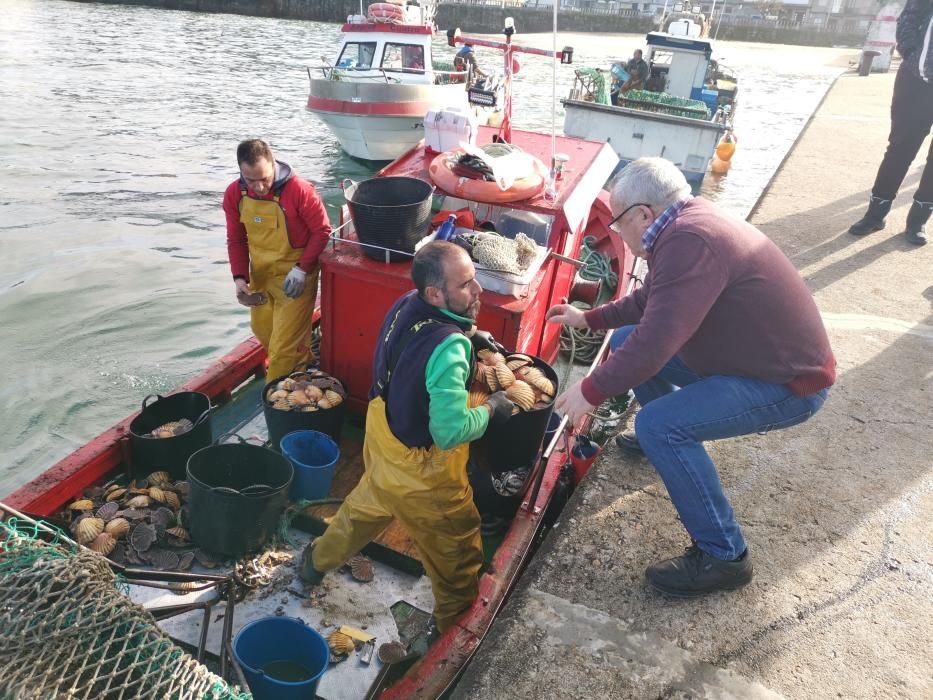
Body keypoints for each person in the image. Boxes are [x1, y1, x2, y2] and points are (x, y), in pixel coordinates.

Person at [546, 157, 836, 598]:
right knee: (624, 341)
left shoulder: (689, 241)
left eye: (620, 221)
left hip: (789, 382)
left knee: (659, 425)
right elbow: (648, 303)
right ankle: (670, 441)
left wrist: (589, 389)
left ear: (643, 213)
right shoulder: (686, 225)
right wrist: (589, 318)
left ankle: (724, 555)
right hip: (749, 356)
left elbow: (657, 343)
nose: (619, 233)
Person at [299, 242, 514, 632]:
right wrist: (493, 409)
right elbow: (448, 433)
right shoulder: (450, 347)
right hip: (423, 474)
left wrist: (472, 333)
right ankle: (451, 634)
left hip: (384, 440)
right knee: (457, 555)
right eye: (467, 285)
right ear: (435, 294)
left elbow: (418, 343)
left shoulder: (405, 302)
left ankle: (314, 563)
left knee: (360, 512)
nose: (479, 290)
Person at [223, 139, 331, 380]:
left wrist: (303, 269)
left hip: (295, 277)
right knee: (263, 330)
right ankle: (304, 362)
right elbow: (236, 240)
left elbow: (322, 231)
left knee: (282, 350)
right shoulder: (234, 195)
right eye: (251, 180)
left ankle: (276, 401)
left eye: (265, 178)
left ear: (273, 164)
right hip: (261, 275)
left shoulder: (300, 191)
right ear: (241, 171)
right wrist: (240, 278)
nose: (259, 187)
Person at [848, 0, 932, 246]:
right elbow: (909, 17)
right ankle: (875, 215)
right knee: (900, 147)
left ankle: (917, 221)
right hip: (916, 80)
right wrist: (912, 54)